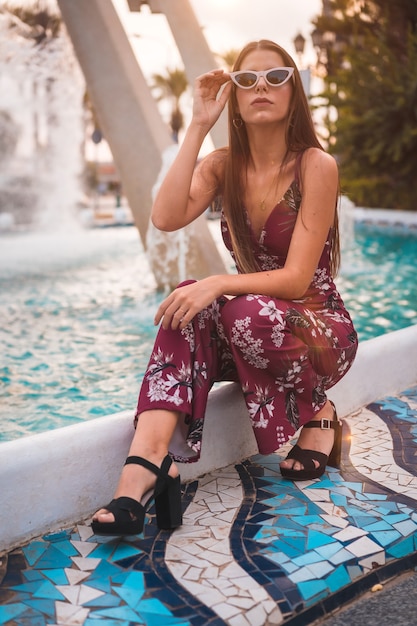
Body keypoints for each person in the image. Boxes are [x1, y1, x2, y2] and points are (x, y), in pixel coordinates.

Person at [92, 39, 358, 536]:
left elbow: (297, 279)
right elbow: (165, 216)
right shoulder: (221, 165)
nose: (261, 87)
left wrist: (217, 285)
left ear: (293, 92)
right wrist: (197, 124)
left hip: (319, 333)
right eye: (247, 80)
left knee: (234, 307)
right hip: (251, 330)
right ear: (233, 95)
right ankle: (144, 468)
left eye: (275, 78)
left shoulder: (315, 165)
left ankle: (319, 408)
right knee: (185, 305)